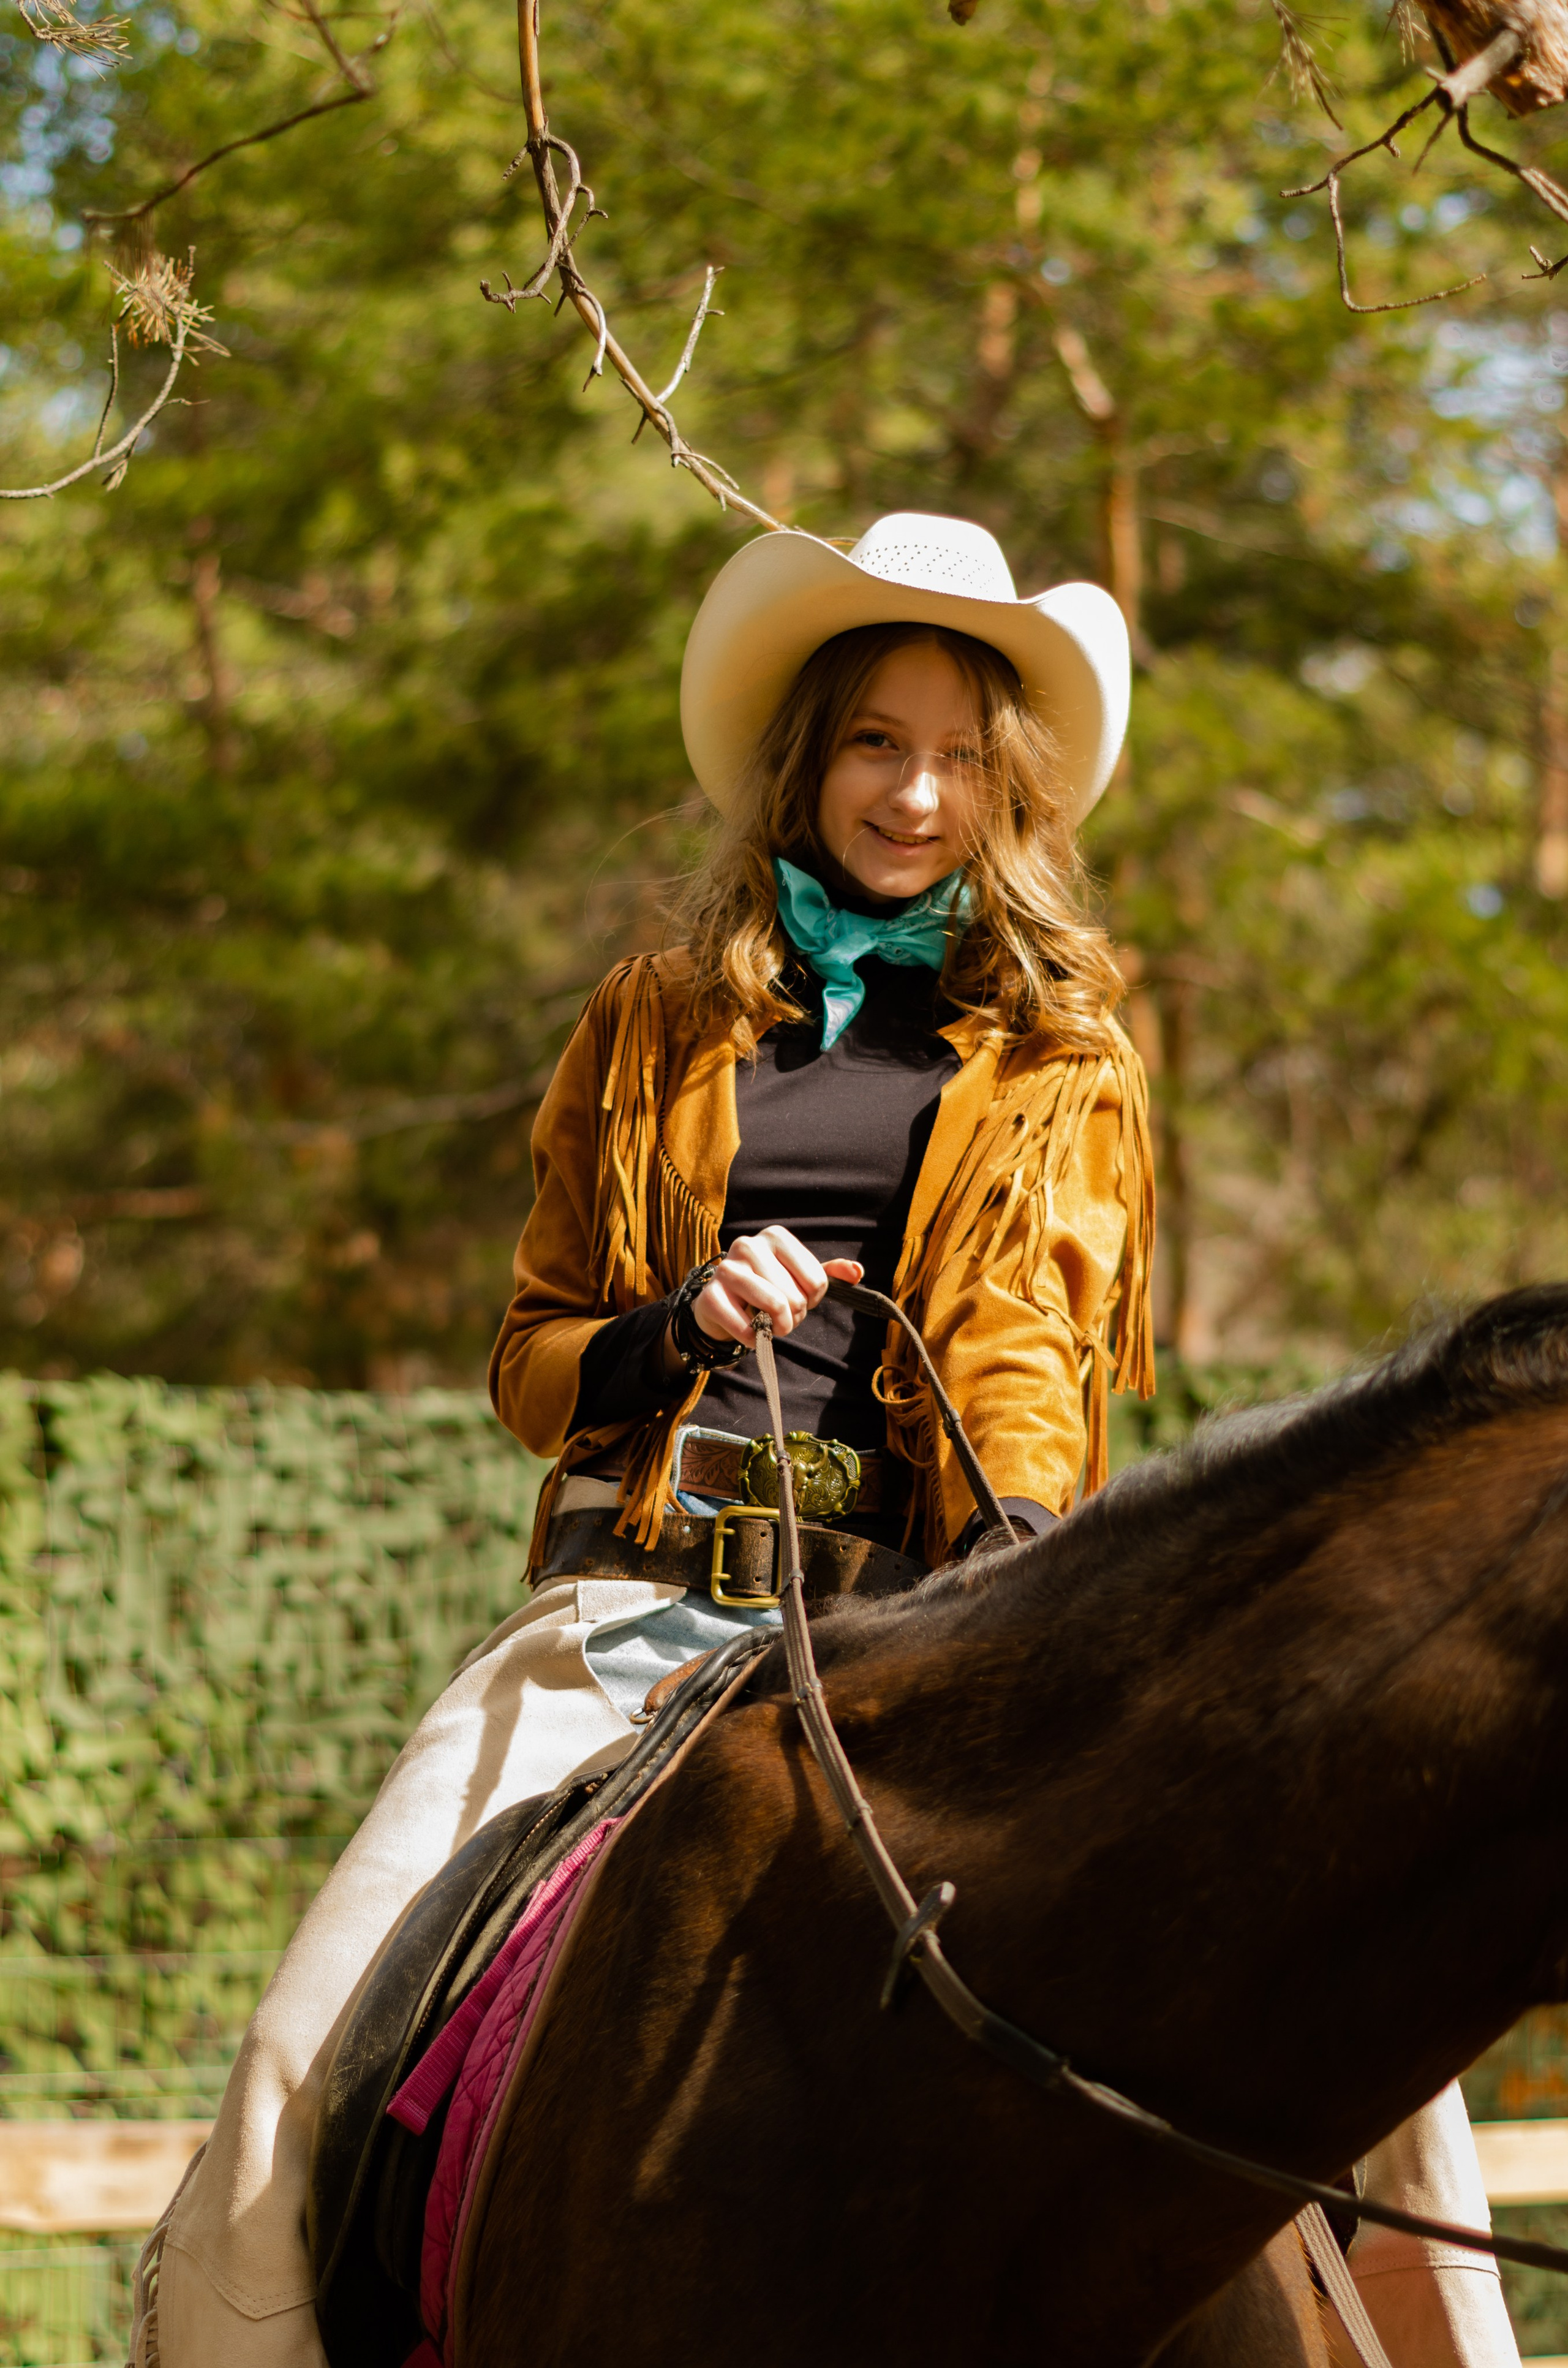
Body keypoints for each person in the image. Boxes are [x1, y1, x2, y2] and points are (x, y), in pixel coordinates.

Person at [132, 513, 1510, 2368]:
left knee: (1350, 1988)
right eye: (877, 739)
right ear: (807, 756)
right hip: (632, 1615)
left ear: (1005, 784)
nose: (916, 789)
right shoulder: (650, 1018)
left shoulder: (1065, 1053)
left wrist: (1032, 1549)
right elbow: (531, 1358)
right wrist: (676, 1321)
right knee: (303, 2048)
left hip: (949, 1605)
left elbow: (1034, 1335)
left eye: (959, 752)